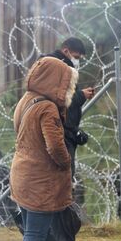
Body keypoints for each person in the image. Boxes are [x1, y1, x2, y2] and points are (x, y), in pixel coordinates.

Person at [10, 56, 80, 241]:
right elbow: (55, 146)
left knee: (32, 232)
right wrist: (66, 163)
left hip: (24, 174)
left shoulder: (28, 99)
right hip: (41, 180)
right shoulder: (48, 108)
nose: (69, 89)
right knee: (35, 234)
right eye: (67, 84)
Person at [41, 37, 94, 179]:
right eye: (76, 57)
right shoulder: (57, 67)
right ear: (66, 51)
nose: (77, 61)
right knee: (62, 182)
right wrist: (81, 95)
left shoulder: (62, 67)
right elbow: (60, 100)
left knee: (62, 182)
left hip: (64, 132)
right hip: (60, 133)